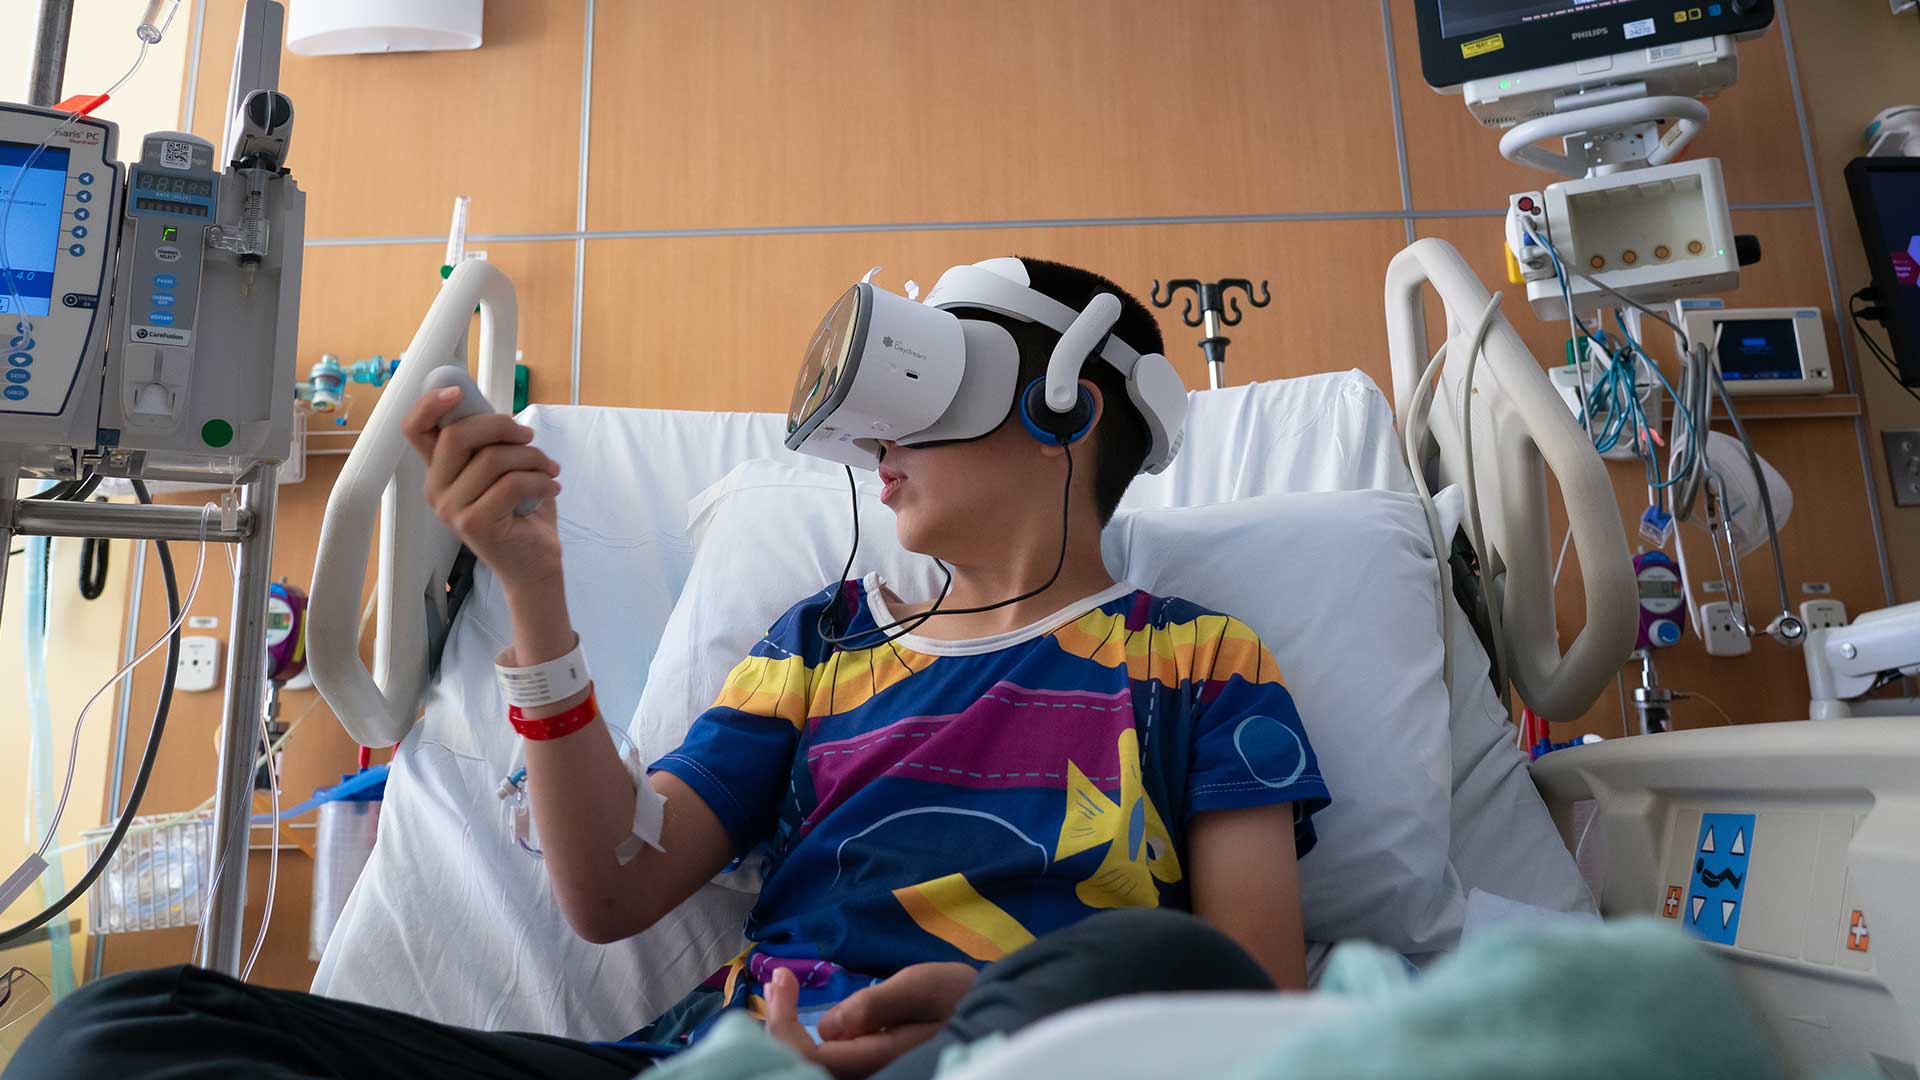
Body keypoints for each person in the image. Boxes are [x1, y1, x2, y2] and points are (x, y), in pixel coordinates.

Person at [5, 259, 1328, 1080]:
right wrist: (534, 587)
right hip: (737, 1062)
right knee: (110, 1041)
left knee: (1137, 977)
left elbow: (1262, 1001)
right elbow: (617, 882)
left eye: (937, 382)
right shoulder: (826, 643)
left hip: (1046, 1060)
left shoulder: (1197, 661)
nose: (885, 444)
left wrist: (1005, 1012)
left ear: (1065, 408)